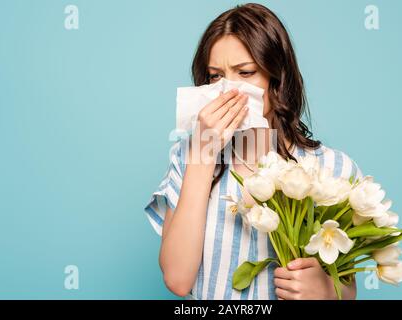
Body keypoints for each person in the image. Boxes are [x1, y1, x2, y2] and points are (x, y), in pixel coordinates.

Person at [144, 3, 362, 300]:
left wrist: (327, 290)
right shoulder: (188, 156)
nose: (227, 90)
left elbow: (347, 290)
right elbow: (178, 280)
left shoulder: (333, 168)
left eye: (245, 73)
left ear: (277, 79)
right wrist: (203, 154)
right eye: (215, 76)